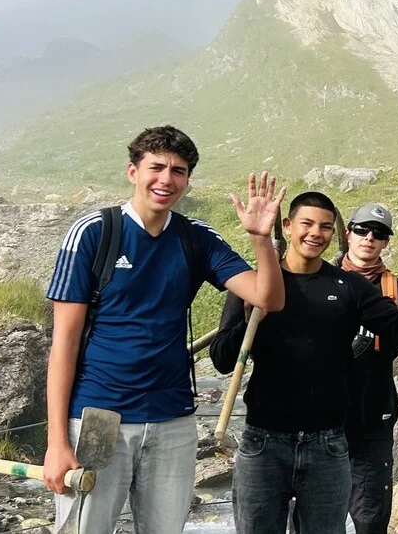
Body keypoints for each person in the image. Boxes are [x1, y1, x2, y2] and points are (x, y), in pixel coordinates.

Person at [44, 126, 286, 533]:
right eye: (156, 167)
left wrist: (261, 240)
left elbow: (269, 299)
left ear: (187, 179)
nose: (167, 179)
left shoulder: (196, 238)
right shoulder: (94, 233)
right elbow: (63, 345)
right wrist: (57, 443)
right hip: (99, 417)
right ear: (132, 171)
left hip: (173, 419)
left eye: (179, 170)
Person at [211, 192, 398, 534]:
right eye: (307, 224)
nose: (316, 233)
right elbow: (223, 360)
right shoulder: (253, 285)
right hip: (264, 442)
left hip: (327, 444)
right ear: (287, 226)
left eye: (326, 227)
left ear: (335, 234)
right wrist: (246, 320)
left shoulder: (348, 285)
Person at [339, 203, 398, 534]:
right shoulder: (321, 277)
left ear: (386, 242)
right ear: (348, 232)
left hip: (373, 415)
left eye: (379, 233)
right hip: (322, 416)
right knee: (312, 511)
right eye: (362, 230)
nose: (369, 238)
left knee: (371, 511)